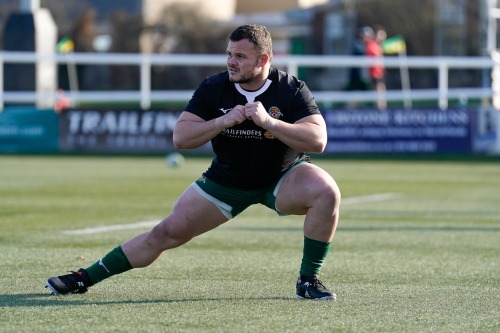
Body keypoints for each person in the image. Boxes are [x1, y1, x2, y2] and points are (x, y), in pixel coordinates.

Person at [45, 24, 341, 301]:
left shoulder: (291, 88)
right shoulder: (214, 87)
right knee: (164, 233)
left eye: (240, 56)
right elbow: (181, 137)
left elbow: (318, 140)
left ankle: (308, 280)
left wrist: (269, 123)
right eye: (229, 54)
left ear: (263, 59)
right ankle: (84, 278)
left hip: (282, 177)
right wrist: (224, 120)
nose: (231, 62)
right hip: (227, 181)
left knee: (326, 192)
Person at [364, 25, 387, 109]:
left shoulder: (378, 46)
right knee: (379, 92)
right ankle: (380, 110)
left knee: (381, 92)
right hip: (375, 73)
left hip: (379, 73)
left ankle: (382, 109)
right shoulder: (372, 45)